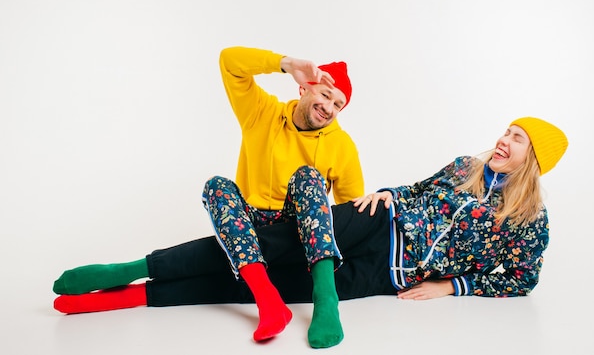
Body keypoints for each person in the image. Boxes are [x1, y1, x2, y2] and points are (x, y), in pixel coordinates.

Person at [53, 117, 568, 349]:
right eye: (505, 131)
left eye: (516, 138)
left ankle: (133, 299)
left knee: (266, 285)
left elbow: (522, 280)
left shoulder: (527, 221)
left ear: (534, 158)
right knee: (272, 241)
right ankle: (136, 267)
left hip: (384, 273)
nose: (502, 140)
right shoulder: (465, 166)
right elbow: (415, 189)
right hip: (376, 221)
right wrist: (389, 193)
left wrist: (451, 285)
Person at [52, 46, 364, 344]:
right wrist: (286, 63)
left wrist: (380, 202)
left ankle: (326, 300)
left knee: (308, 177)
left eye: (338, 104)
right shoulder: (262, 111)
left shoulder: (342, 145)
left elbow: (350, 213)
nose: (329, 108)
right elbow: (230, 61)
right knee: (217, 185)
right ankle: (267, 299)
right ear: (304, 88)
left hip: (295, 234)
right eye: (326, 95)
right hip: (246, 231)